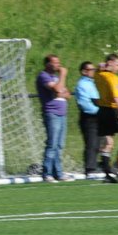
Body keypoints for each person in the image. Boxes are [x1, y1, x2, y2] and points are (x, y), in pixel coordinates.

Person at [36, 55, 72, 183]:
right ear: (47, 64)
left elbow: (67, 94)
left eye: (59, 62)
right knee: (52, 144)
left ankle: (58, 172)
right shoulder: (44, 76)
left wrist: (59, 92)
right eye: (55, 62)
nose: (58, 65)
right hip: (52, 113)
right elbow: (57, 89)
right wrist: (62, 75)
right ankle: (47, 173)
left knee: (59, 145)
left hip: (62, 113)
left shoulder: (56, 78)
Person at [94, 54, 118, 183]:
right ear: (110, 63)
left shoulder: (99, 75)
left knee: (108, 143)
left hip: (102, 110)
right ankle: (117, 167)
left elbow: (96, 71)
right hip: (112, 111)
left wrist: (99, 67)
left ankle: (108, 173)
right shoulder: (113, 78)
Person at [74, 61, 101, 178]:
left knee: (97, 144)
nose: (93, 71)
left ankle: (94, 165)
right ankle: (89, 169)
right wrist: (99, 111)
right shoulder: (83, 84)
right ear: (84, 72)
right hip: (89, 116)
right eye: (91, 69)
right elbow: (87, 104)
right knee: (91, 143)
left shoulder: (92, 83)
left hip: (97, 115)